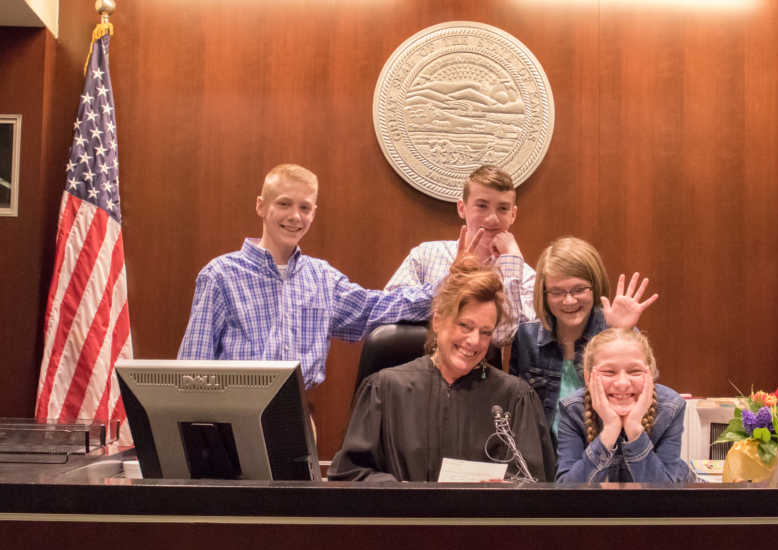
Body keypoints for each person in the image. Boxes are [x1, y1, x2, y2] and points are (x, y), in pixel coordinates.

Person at [178, 164, 466, 389]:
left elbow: (378, 308)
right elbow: (192, 367)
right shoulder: (220, 275)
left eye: (304, 207)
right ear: (260, 206)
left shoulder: (322, 279)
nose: (295, 216)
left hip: (298, 416)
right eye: (283, 204)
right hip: (232, 415)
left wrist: (452, 282)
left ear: (314, 213)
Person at [328, 256, 556, 482]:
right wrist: (400, 492)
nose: (474, 341)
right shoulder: (385, 390)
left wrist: (507, 490)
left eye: (485, 332)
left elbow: (535, 484)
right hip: (404, 517)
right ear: (437, 321)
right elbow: (350, 473)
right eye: (465, 326)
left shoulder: (514, 397)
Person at [510, 236, 657, 442]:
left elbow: (649, 397)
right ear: (544, 294)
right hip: (545, 463)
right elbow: (517, 415)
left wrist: (621, 332)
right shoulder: (527, 338)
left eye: (579, 289)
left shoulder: (618, 330)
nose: (569, 300)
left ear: (595, 286)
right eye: (557, 292)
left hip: (605, 455)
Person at [385, 165, 533, 344]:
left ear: (513, 214)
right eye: (482, 206)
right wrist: (451, 282)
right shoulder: (425, 256)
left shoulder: (524, 276)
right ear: (462, 208)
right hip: (417, 365)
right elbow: (388, 312)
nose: (492, 218)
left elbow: (504, 336)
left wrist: (511, 263)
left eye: (503, 208)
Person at [556, 328, 692, 483]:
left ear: (651, 374)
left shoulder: (670, 407)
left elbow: (664, 495)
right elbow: (567, 493)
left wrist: (634, 429)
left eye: (634, 371)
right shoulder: (572, 409)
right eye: (609, 372)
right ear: (588, 378)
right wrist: (610, 430)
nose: (622, 383)